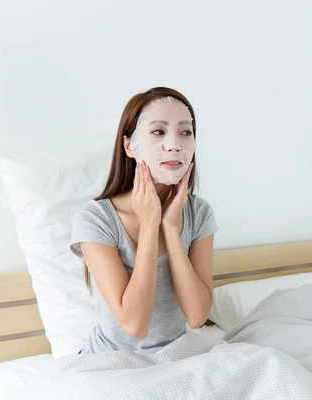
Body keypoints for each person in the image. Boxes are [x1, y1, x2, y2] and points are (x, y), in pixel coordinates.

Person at [70, 87, 218, 354]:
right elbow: (135, 325)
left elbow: (196, 317)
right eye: (158, 132)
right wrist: (150, 225)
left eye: (185, 132)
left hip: (176, 355)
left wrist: (171, 230)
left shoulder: (200, 213)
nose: (174, 144)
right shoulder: (95, 219)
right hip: (111, 361)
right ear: (129, 146)